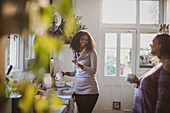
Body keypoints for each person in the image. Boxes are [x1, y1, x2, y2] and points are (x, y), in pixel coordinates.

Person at [61, 30, 99, 113]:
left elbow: (93, 71)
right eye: (82, 39)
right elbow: (75, 72)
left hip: (90, 89)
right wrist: (65, 73)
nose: (84, 41)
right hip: (78, 89)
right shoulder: (75, 53)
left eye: (86, 40)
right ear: (77, 40)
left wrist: (79, 65)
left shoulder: (92, 52)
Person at [131, 34, 170, 113]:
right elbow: (153, 88)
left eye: (153, 42)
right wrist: (138, 82)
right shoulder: (158, 64)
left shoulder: (167, 65)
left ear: (160, 45)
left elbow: (163, 100)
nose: (150, 45)